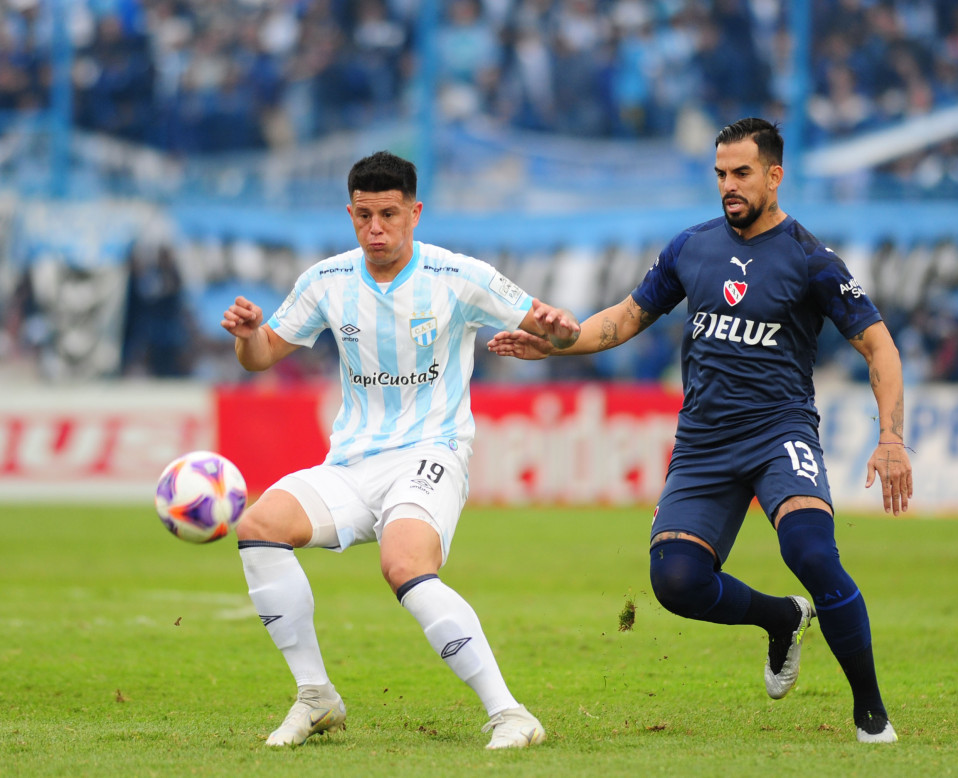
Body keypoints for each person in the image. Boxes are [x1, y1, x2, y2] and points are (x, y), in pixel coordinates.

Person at [488, 117, 912, 744]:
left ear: (775, 175)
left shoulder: (811, 260)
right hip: (704, 443)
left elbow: (880, 348)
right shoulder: (692, 247)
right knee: (676, 582)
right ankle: (781, 620)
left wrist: (892, 438)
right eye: (720, 174)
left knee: (811, 553)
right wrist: (558, 346)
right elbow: (627, 318)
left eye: (741, 173)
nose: (728, 186)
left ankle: (871, 714)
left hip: (778, 432)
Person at [220, 150, 579, 749]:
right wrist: (247, 336)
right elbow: (261, 356)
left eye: (388, 214)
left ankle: (510, 713)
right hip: (353, 463)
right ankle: (316, 697)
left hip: (431, 452)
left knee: (405, 565)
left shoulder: (458, 275)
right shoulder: (327, 280)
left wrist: (557, 328)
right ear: (350, 213)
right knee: (258, 526)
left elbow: (550, 325)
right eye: (363, 216)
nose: (375, 229)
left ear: (415, 213)